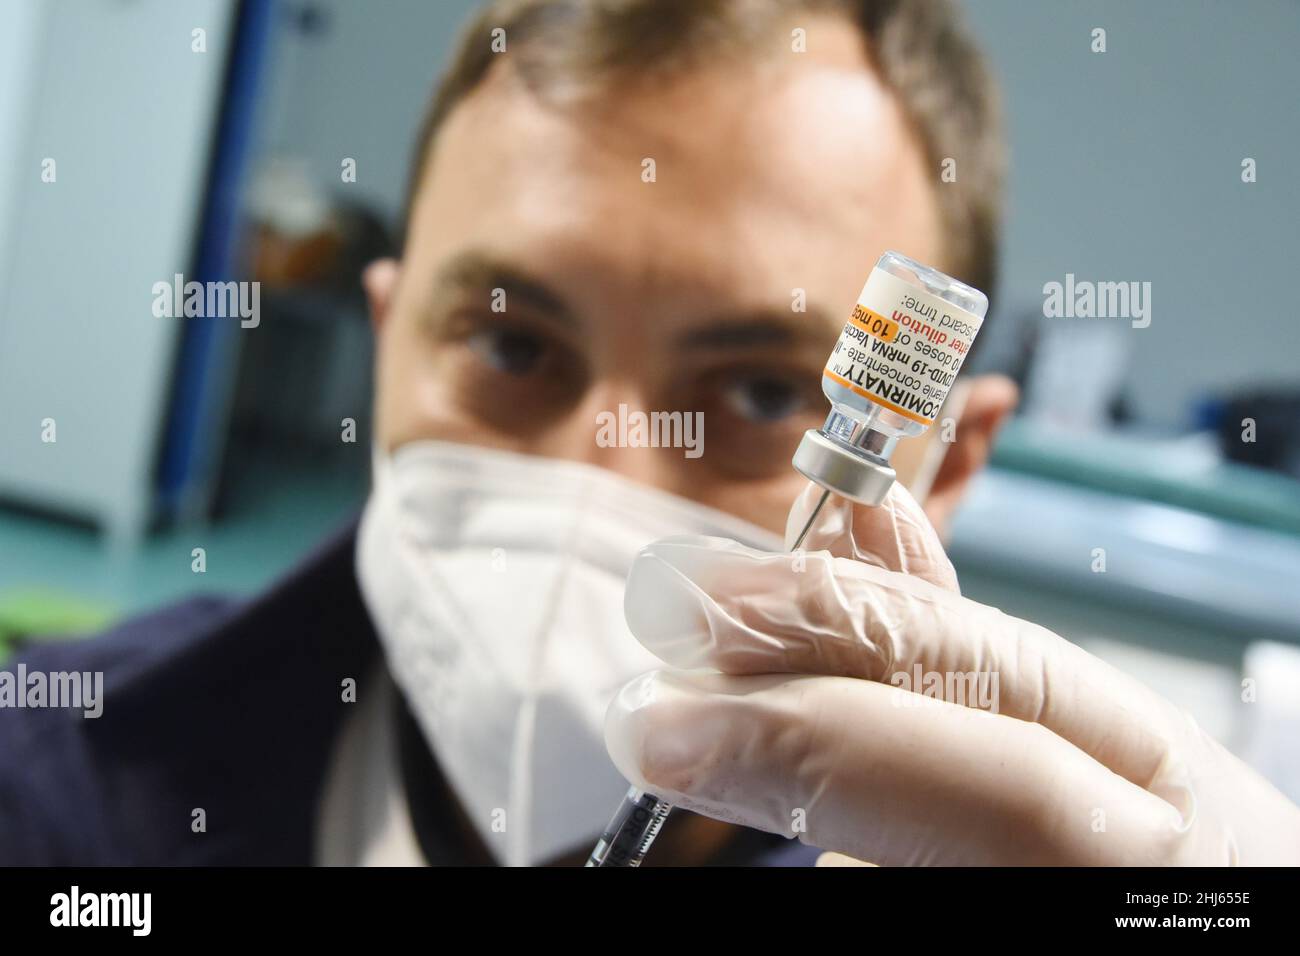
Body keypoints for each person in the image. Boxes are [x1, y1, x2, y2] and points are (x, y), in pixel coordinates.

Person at [21, 0, 1264, 866]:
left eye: (768, 390)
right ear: (390, 338)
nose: (595, 475)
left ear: (951, 464)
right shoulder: (54, 780)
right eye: (514, 346)